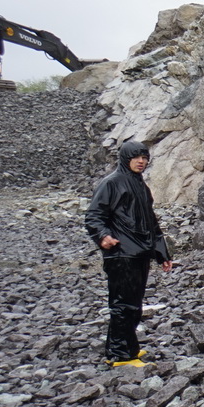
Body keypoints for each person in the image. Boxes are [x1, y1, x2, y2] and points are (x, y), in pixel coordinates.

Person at [85, 139, 173, 367]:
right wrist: (103, 236)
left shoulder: (141, 186)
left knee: (134, 304)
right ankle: (121, 355)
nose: (142, 162)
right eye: (137, 157)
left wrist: (162, 253)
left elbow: (151, 223)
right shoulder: (112, 183)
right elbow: (94, 215)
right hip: (121, 253)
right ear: (126, 158)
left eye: (145, 158)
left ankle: (127, 347)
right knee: (123, 304)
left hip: (140, 253)